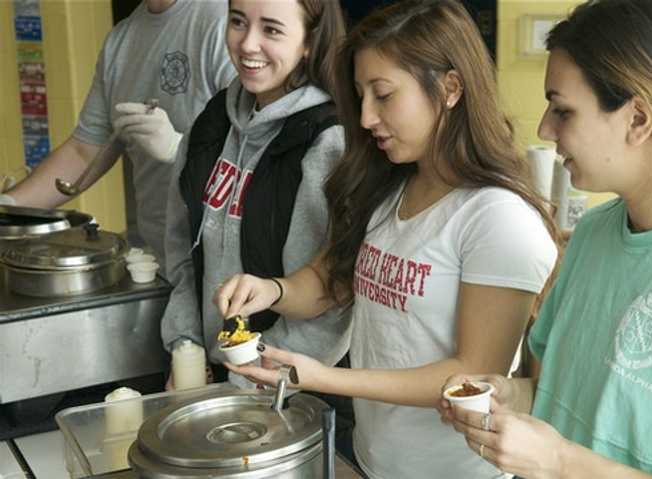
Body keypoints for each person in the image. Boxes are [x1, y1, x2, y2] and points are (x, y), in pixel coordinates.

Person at [216, 1, 558, 478]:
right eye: (360, 96)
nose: (366, 117)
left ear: (451, 88)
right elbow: (332, 279)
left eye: (384, 95)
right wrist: (272, 289)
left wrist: (321, 377)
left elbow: (472, 374)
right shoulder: (391, 185)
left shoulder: (496, 219)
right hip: (378, 461)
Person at [439, 0, 652, 477]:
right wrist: (511, 395)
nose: (546, 128)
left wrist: (560, 462)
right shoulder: (590, 235)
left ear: (638, 119)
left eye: (563, 110)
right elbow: (562, 393)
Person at [161, 0, 350, 394]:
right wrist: (187, 349)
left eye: (272, 30)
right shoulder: (212, 123)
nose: (248, 44)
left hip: (293, 386)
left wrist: (248, 384)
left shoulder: (328, 140)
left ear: (309, 43)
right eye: (238, 22)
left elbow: (334, 299)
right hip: (217, 380)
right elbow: (182, 252)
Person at [0, 0, 236, 271]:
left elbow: (256, 147)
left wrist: (179, 148)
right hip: (165, 260)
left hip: (230, 264)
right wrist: (9, 208)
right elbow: (85, 150)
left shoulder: (226, 21)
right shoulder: (121, 41)